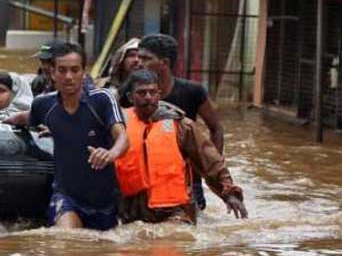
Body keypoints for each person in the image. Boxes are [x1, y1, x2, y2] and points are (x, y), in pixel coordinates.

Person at [6, 43, 128, 231]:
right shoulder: (43, 104)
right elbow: (25, 118)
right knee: (67, 241)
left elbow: (123, 138)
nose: (69, 77)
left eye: (74, 70)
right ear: (52, 72)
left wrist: (111, 154)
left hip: (105, 200)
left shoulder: (102, 99)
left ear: (84, 72)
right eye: (62, 70)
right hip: (67, 197)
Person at [116, 70, 247, 225]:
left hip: (174, 211)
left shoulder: (181, 126)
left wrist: (229, 193)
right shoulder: (117, 125)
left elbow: (210, 160)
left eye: (152, 92)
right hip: (129, 211)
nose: (148, 97)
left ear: (159, 95)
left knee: (173, 241)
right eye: (142, 93)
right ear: (130, 97)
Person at [137, 34, 226, 210]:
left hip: (188, 178)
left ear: (164, 62)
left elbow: (216, 128)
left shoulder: (192, 92)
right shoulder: (132, 93)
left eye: (146, 58)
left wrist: (211, 168)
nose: (139, 63)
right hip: (147, 177)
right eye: (139, 57)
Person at [102, 37, 141, 102]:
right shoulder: (105, 88)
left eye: (140, 56)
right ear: (121, 60)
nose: (136, 60)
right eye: (131, 55)